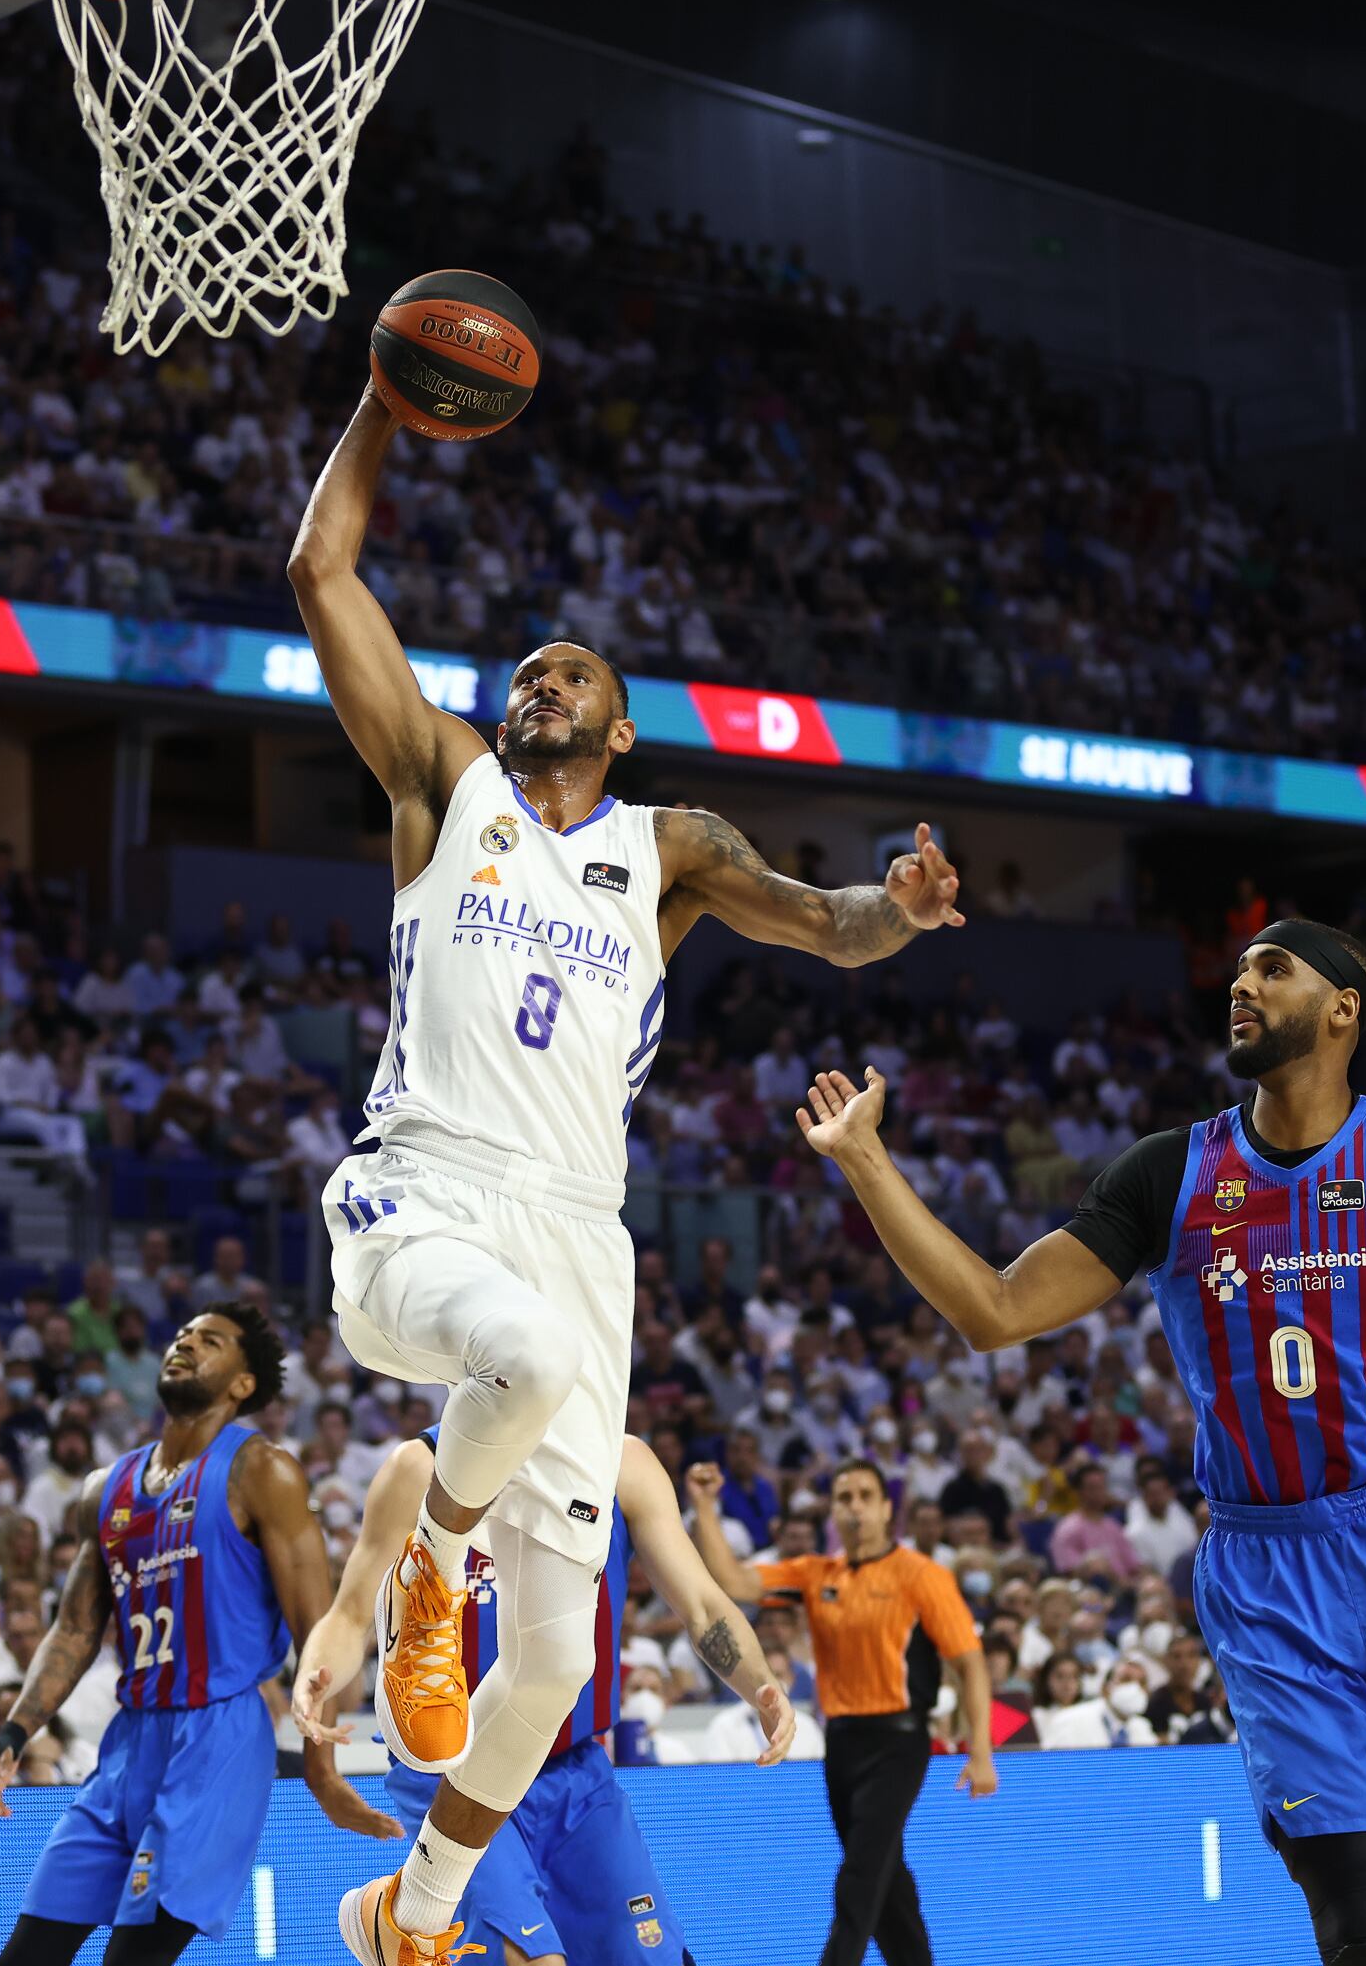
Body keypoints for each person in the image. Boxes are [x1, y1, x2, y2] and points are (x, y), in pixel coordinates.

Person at [285, 381, 964, 1966]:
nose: (539, 681)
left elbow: (827, 920)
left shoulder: (670, 847)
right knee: (508, 1366)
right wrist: (385, 409)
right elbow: (322, 575)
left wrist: (904, 906)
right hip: (426, 1194)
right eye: (525, 670)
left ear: (622, 722)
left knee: (552, 1669)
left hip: (583, 1234)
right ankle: (434, 1570)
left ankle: (418, 1910)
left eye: (570, 672)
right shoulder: (440, 784)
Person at [791, 921, 1366, 1965]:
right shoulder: (1169, 1174)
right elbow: (994, 1311)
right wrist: (864, 1161)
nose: (1242, 985)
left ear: (1343, 1008)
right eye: (1236, 971)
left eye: (1273, 969)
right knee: (1354, 1917)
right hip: (1266, 1568)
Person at [0, 1304, 382, 1966]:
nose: (185, 1346)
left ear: (242, 1383)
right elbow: (76, 1626)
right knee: (26, 1956)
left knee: (131, 1960)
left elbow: (320, 1631)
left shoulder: (263, 1471)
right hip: (130, 1739)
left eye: (210, 1340)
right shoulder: (106, 1488)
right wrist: (16, 1728)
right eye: (183, 1336)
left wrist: (321, 1770)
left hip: (218, 1735)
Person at [296, 1428, 792, 1966]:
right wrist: (315, 1676)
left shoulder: (623, 1463)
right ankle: (403, 1915)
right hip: (454, 1773)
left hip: (574, 1770)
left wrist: (760, 1684)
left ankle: (400, 1919)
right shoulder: (418, 1467)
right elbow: (349, 1614)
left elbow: (700, 1603)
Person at [687, 1458, 988, 1966]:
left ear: (887, 1507)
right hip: (843, 1744)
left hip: (900, 1742)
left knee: (860, 1874)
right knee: (885, 1874)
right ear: (833, 1510)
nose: (855, 1508)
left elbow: (971, 1664)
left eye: (865, 1496)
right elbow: (734, 1581)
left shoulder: (922, 1576)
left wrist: (980, 1750)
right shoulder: (815, 1573)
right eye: (844, 1498)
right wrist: (704, 1505)